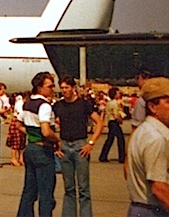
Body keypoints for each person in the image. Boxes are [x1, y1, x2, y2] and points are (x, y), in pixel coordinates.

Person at [53, 76, 104, 217]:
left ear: (73, 88)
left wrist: (91, 143)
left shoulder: (84, 104)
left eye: (66, 87)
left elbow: (99, 123)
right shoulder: (58, 106)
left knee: (83, 188)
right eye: (62, 88)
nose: (64, 90)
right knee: (68, 188)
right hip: (64, 146)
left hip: (80, 146)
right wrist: (55, 146)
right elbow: (50, 125)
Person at [126, 76, 169, 216]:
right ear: (153, 107)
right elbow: (159, 189)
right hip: (153, 211)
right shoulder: (156, 139)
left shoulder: (144, 131)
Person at [16, 72, 60, 217]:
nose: (53, 88)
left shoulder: (28, 103)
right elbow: (46, 131)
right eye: (50, 86)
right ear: (40, 87)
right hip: (42, 150)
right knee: (46, 193)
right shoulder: (44, 105)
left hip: (30, 149)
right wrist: (57, 139)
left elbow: (18, 123)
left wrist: (30, 133)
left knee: (29, 191)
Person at [99, 87, 125, 163]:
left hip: (110, 122)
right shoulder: (115, 103)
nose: (119, 94)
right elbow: (116, 115)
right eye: (117, 93)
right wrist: (120, 120)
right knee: (121, 139)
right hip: (114, 122)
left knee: (110, 139)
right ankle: (121, 157)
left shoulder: (109, 103)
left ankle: (103, 155)